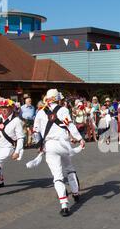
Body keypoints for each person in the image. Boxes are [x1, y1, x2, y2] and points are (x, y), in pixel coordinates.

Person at [33, 89, 86, 217]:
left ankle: (64, 205)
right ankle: (75, 193)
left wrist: (39, 145)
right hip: (63, 144)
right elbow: (70, 126)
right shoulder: (63, 110)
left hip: (50, 145)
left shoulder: (40, 113)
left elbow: (35, 131)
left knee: (57, 175)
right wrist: (80, 139)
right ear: (58, 99)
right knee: (69, 168)